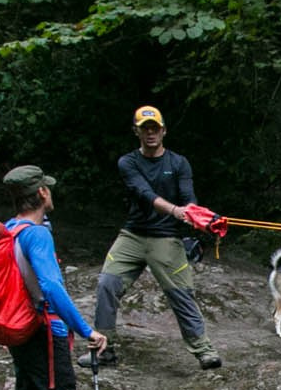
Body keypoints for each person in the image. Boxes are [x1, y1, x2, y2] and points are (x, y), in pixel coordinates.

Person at [2, 164, 108, 390]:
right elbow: (50, 287)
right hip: (46, 334)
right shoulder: (36, 235)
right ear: (43, 193)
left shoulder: (8, 230)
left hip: (20, 332)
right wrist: (86, 329)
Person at [93, 105, 221, 371]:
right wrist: (176, 210)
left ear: (163, 130)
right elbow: (144, 194)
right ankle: (105, 350)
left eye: (154, 128)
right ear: (136, 132)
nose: (150, 133)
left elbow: (188, 197)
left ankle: (204, 351)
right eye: (144, 129)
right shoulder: (128, 162)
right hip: (133, 235)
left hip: (167, 238)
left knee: (181, 294)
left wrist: (200, 217)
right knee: (107, 283)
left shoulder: (178, 163)